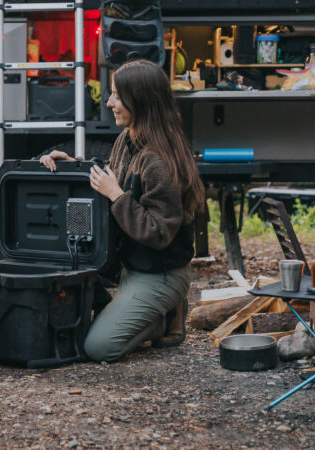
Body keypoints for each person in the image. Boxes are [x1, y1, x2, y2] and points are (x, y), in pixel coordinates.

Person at [39, 59, 205, 362]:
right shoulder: (126, 140)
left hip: (160, 274)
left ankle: (163, 317)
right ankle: (140, 312)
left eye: (117, 95)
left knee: (99, 347)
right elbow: (110, 178)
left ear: (140, 101)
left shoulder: (159, 160)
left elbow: (159, 233)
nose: (110, 102)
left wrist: (117, 196)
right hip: (131, 269)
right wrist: (71, 166)